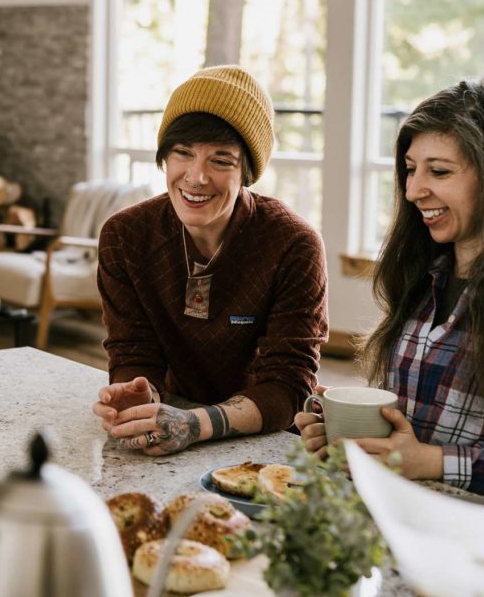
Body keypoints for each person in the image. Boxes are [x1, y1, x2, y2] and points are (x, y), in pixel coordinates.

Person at [296, 75, 484, 500]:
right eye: (409, 169)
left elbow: (425, 453)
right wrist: (349, 427)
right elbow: (413, 424)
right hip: (402, 521)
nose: (413, 190)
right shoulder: (422, 281)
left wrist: (432, 461)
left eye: (438, 171)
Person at [92, 65, 329, 455]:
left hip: (262, 436)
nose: (196, 177)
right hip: (171, 418)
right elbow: (133, 350)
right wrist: (139, 393)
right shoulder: (125, 235)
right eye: (183, 153)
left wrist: (195, 425)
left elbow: (288, 383)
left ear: (246, 172)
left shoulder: (293, 244)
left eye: (221, 160)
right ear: (165, 158)